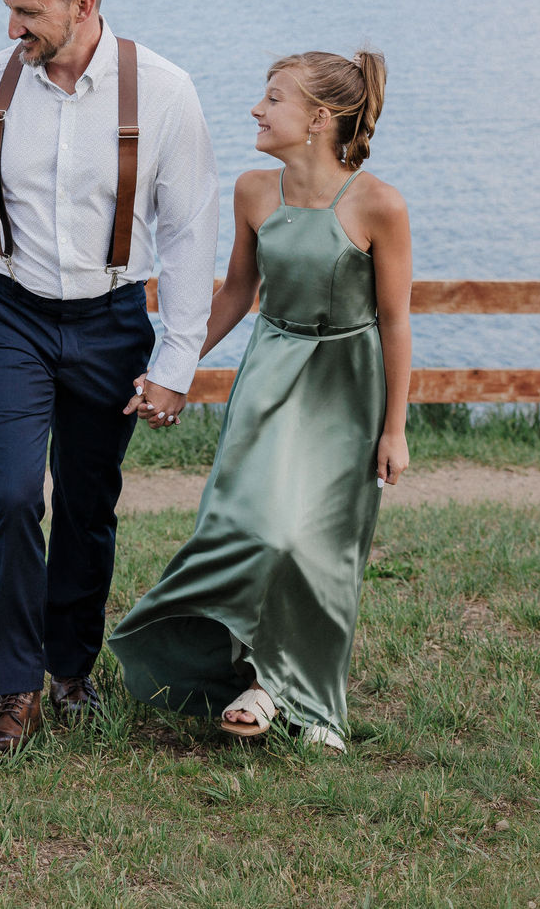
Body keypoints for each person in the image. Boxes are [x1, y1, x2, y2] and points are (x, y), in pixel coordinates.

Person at [0, 0, 220, 757]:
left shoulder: (165, 91)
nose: (12, 28)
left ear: (83, 5)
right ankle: (13, 690)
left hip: (114, 322)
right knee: (9, 495)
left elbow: (189, 235)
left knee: (87, 503)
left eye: (27, 11)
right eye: (8, 9)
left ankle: (71, 667)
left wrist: (176, 362)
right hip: (8, 314)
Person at [107, 50, 412, 753]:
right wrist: (170, 368)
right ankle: (217, 661)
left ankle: (301, 700)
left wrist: (394, 429)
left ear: (319, 119)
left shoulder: (379, 205)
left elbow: (395, 321)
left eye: (273, 98)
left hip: (347, 386)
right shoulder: (253, 192)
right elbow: (239, 294)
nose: (256, 109)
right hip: (273, 377)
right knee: (254, 528)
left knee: (320, 549)